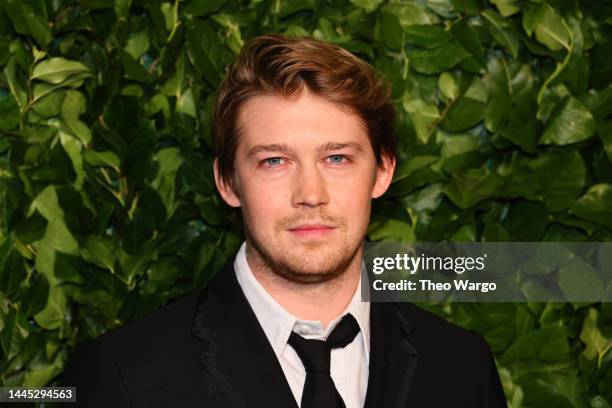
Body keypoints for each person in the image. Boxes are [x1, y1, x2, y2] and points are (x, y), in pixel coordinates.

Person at [61, 34, 507, 408]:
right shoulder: (122, 375)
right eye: (275, 161)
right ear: (228, 183)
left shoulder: (463, 367)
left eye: (336, 158)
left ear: (383, 171)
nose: (310, 194)